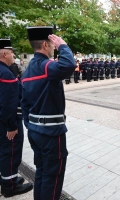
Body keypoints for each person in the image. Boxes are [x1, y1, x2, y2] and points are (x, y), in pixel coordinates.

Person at [21, 26, 76, 200]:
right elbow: (69, 65)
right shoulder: (45, 66)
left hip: (36, 131)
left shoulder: (27, 70)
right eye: (52, 45)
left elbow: (23, 103)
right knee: (53, 176)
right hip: (51, 133)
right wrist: (64, 46)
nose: (54, 48)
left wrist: (30, 125)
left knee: (42, 173)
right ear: (45, 44)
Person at [0, 39, 33, 197]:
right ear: (4, 53)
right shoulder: (5, 74)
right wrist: (11, 126)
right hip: (5, 121)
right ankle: (10, 186)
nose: (13, 55)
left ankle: (6, 179)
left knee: (2, 152)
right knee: (10, 152)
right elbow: (8, 104)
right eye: (11, 52)